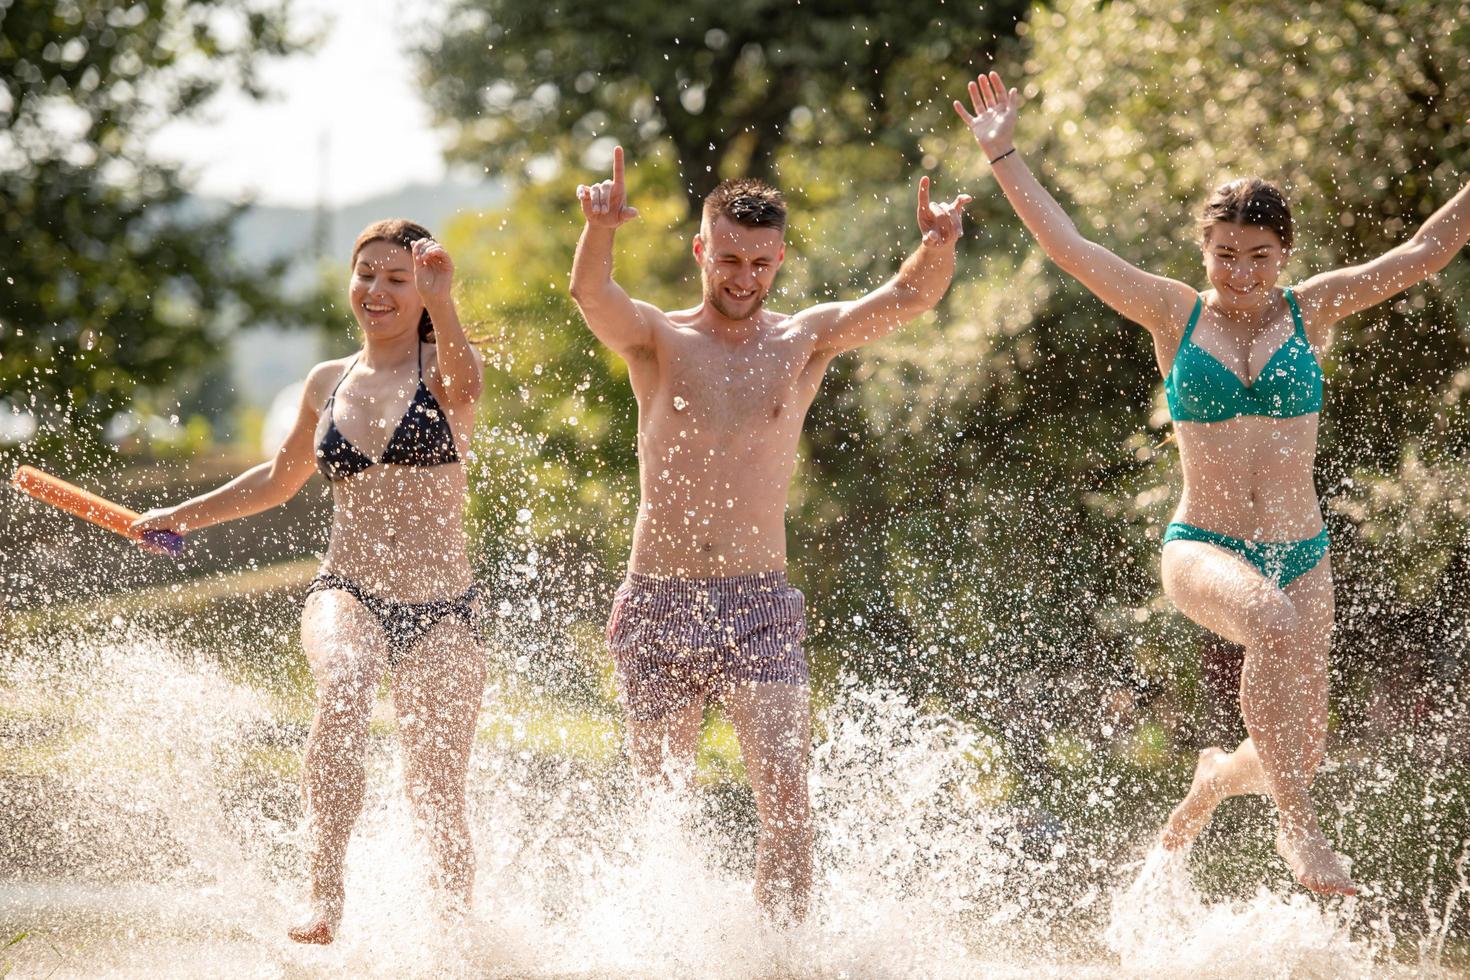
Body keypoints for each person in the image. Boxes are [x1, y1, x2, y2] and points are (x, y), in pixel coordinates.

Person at [955, 71, 1470, 896]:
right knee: (1267, 624)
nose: (1241, 273)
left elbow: (1425, 253)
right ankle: (1300, 838)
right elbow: (1071, 250)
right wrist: (1004, 154)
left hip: (1304, 550)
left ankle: (1213, 783)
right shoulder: (1174, 314)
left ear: (1284, 256)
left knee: (1297, 751)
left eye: (1259, 257)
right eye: (1225, 255)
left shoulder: (1315, 309)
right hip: (1204, 545)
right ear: (1205, 252)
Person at [570, 147, 969, 920]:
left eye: (759, 261)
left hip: (758, 603)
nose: (742, 276)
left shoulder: (802, 341)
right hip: (658, 602)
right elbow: (593, 295)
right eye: (727, 259)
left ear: (780, 257)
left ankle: (783, 962)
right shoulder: (658, 340)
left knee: (787, 799)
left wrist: (939, 243)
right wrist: (599, 229)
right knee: (661, 809)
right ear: (701, 251)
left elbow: (907, 298)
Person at [133, 220, 486, 942]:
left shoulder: (445, 365)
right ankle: (323, 894)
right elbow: (276, 478)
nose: (378, 291)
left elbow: (465, 384)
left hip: (444, 606)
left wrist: (443, 301)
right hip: (347, 587)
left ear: (423, 288)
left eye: (398, 278)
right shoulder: (329, 380)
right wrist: (181, 515)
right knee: (345, 682)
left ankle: (456, 942)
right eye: (367, 275)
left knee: (436, 791)